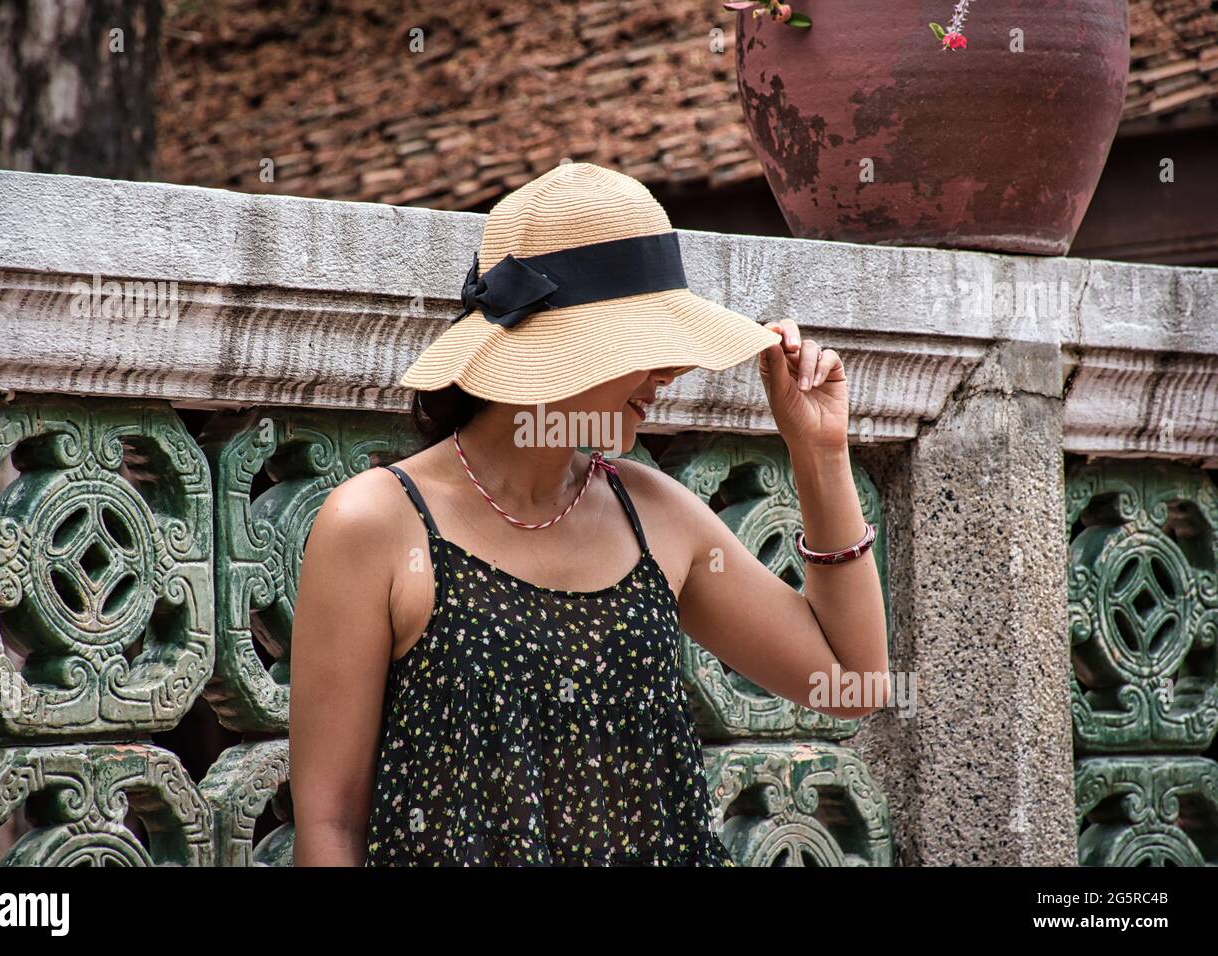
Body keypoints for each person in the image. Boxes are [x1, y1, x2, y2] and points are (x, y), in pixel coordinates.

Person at [290, 162, 888, 866]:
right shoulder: (376, 525)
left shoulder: (656, 515)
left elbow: (853, 682)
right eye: (644, 346)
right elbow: (330, 824)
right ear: (557, 347)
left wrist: (818, 451)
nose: (670, 372)